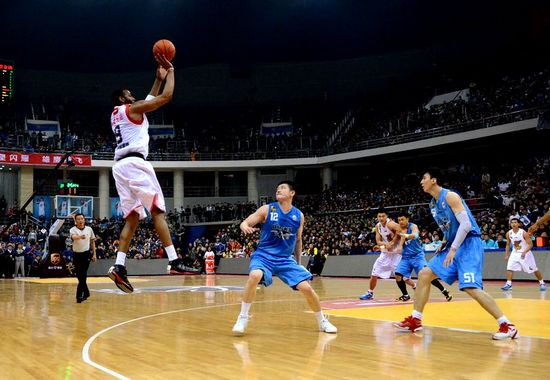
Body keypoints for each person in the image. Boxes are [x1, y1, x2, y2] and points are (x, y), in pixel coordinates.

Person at [394, 169, 519, 340]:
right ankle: (416, 319)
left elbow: (466, 224)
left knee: (471, 288)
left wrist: (452, 249)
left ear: (434, 180)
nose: (421, 182)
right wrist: (446, 241)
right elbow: (448, 226)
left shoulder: (450, 196)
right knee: (424, 274)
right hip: (453, 244)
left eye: (424, 178)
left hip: (468, 244)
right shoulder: (432, 204)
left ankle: (507, 325)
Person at [107, 54, 188, 293]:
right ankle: (174, 260)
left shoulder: (117, 114)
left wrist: (157, 79)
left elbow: (147, 100)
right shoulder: (132, 108)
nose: (134, 96)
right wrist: (171, 72)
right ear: (124, 98)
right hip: (135, 164)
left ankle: (119, 266)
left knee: (132, 218)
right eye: (130, 93)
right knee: (157, 210)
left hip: (119, 167)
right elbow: (165, 98)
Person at [232, 181, 337, 335]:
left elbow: (298, 240)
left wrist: (299, 263)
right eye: (277, 188)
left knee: (306, 288)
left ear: (292, 193)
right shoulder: (267, 209)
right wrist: (245, 227)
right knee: (255, 275)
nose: (278, 190)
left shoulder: (298, 215)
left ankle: (322, 321)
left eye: (282, 188)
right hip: (264, 255)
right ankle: (242, 317)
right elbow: (246, 222)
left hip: (285, 259)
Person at [393, 211, 452, 302]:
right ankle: (405, 295)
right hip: (406, 258)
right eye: (399, 220)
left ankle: (444, 291)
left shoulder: (413, 226)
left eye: (402, 219)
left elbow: (416, 235)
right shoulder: (398, 230)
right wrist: (383, 247)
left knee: (426, 275)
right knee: (397, 275)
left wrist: (406, 235)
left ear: (407, 219)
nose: (400, 222)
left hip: (417, 256)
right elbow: (393, 243)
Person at [358, 209, 414, 300]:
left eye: (383, 216)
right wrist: (384, 246)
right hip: (386, 253)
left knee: (401, 276)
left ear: (387, 216)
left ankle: (414, 288)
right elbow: (378, 241)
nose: (381, 218)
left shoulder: (390, 224)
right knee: (374, 273)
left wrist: (393, 242)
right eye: (379, 216)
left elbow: (402, 230)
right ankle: (370, 292)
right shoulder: (378, 226)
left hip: (396, 254)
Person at [501, 217, 546, 291]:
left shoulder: (523, 233)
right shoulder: (508, 233)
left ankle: (542, 283)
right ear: (510, 224)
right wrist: (506, 254)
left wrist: (524, 252)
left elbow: (531, 244)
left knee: (534, 269)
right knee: (509, 268)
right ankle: (509, 284)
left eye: (515, 222)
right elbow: (508, 244)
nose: (513, 224)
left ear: (518, 224)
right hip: (514, 253)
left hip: (525, 253)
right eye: (512, 223)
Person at [70, 213, 96, 303]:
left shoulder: (89, 229)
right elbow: (73, 237)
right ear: (76, 221)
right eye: (78, 219)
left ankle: (79, 296)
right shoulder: (72, 229)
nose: (80, 220)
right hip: (76, 255)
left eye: (82, 219)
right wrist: (80, 237)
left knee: (83, 275)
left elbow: (93, 241)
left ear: (84, 220)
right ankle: (86, 292)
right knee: (79, 276)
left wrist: (94, 254)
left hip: (86, 254)